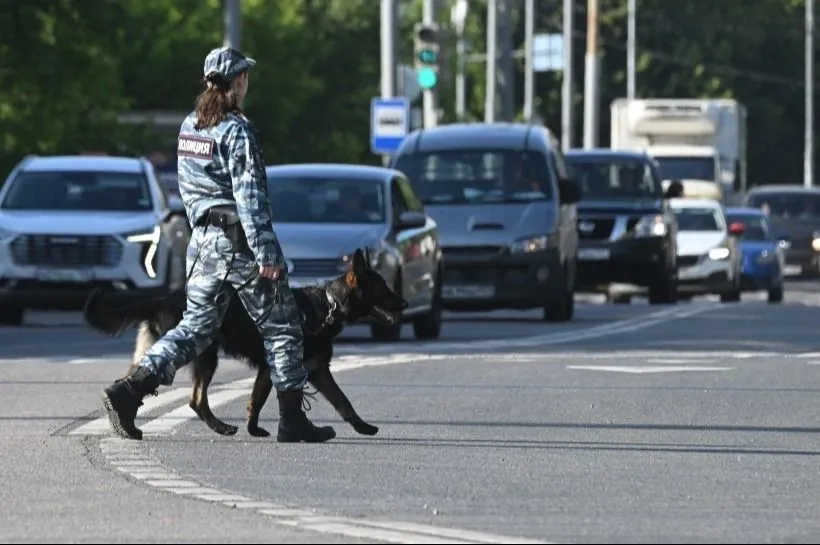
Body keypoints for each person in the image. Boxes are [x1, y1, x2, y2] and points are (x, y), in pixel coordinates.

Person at [100, 46, 335, 444]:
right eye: (246, 75)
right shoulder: (237, 130)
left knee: (194, 328)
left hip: (205, 246)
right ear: (239, 80)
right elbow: (250, 197)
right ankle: (292, 419)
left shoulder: (191, 127)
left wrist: (205, 239)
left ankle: (128, 391)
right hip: (240, 245)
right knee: (282, 327)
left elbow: (190, 194)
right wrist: (266, 254)